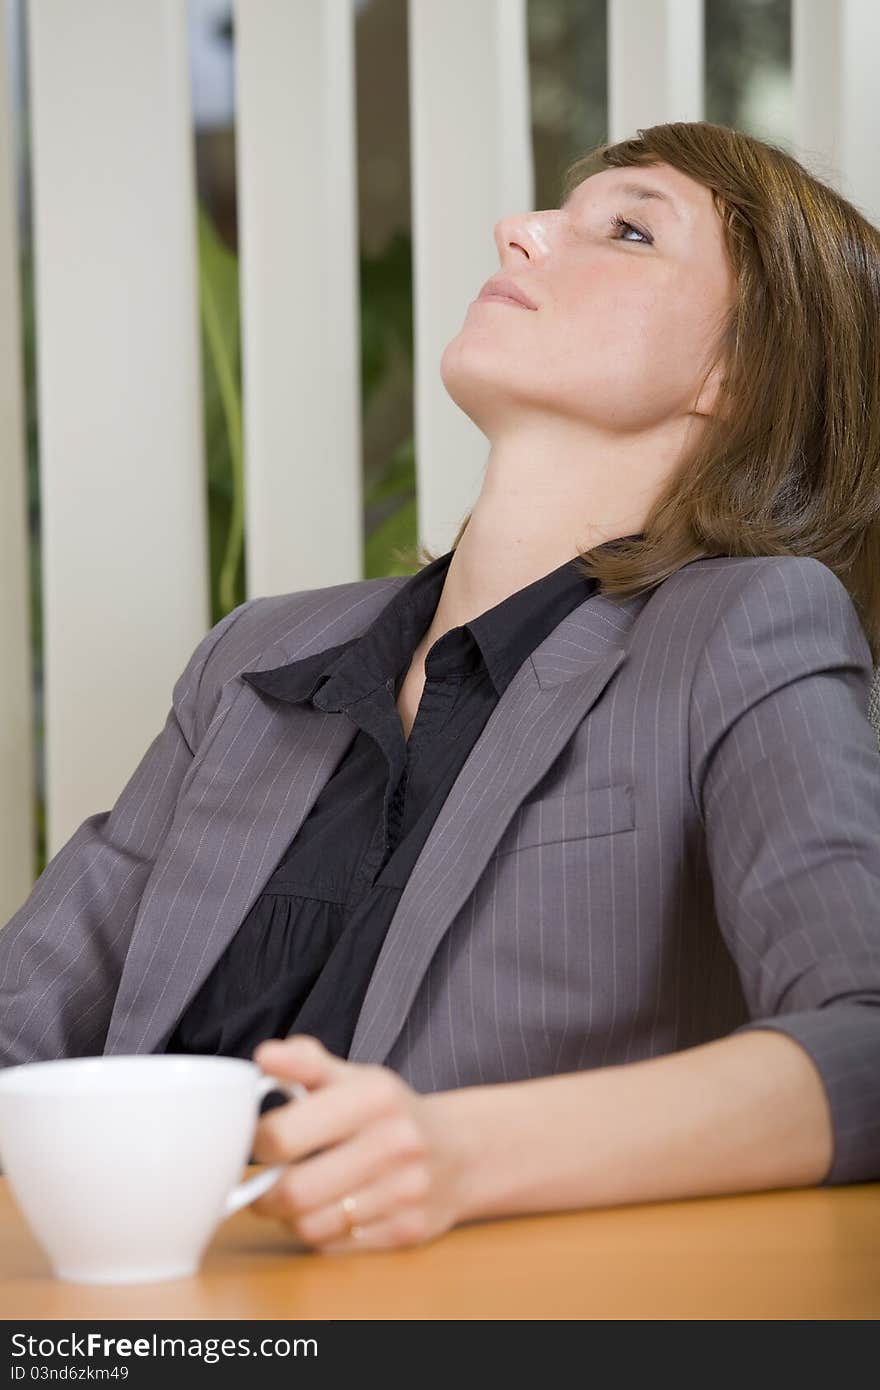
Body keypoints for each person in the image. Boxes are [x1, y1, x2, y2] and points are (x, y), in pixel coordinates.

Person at [2, 121, 879, 1255]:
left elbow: (864, 1042)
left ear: (737, 372)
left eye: (625, 230)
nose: (517, 235)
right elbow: (24, 1025)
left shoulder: (743, 624)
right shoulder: (256, 654)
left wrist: (460, 1153)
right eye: (547, 216)